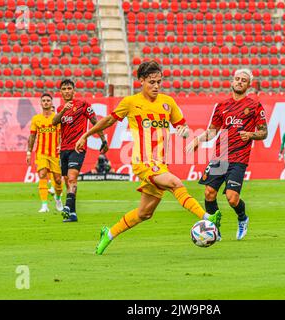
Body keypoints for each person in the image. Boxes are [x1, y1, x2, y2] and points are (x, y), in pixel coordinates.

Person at [75, 60, 221, 255]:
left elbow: (181, 126)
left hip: (160, 163)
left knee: (145, 213)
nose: (156, 86)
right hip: (142, 161)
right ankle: (207, 217)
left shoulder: (167, 102)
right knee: (175, 183)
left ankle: (108, 234)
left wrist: (184, 131)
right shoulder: (130, 102)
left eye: (159, 82)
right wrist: (85, 135)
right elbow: (109, 120)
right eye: (152, 82)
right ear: (141, 81)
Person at [186, 69, 268, 240]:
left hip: (239, 158)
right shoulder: (221, 106)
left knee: (232, 198)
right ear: (232, 81)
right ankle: (214, 227)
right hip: (220, 157)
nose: (239, 82)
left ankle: (242, 218)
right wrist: (197, 140)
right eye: (237, 79)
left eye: (243, 80)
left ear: (248, 85)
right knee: (209, 193)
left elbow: (264, 132)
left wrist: (251, 134)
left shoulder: (254, 106)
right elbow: (212, 130)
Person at [52, 79, 108, 222]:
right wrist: (64, 109)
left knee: (72, 178)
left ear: (73, 90)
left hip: (78, 147)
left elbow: (96, 123)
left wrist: (103, 140)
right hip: (64, 149)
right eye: (64, 89)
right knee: (67, 181)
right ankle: (73, 213)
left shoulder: (83, 105)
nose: (66, 91)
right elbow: (54, 122)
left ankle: (67, 207)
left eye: (69, 88)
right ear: (61, 92)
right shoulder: (60, 109)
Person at [26, 93, 64, 213]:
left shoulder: (57, 118)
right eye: (44, 101)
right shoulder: (36, 119)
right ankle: (44, 205)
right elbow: (32, 136)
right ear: (41, 103)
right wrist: (28, 152)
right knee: (42, 174)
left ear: (52, 103)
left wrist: (61, 146)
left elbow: (61, 135)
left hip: (55, 153)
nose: (46, 102)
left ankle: (58, 198)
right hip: (41, 153)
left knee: (58, 180)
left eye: (48, 100)